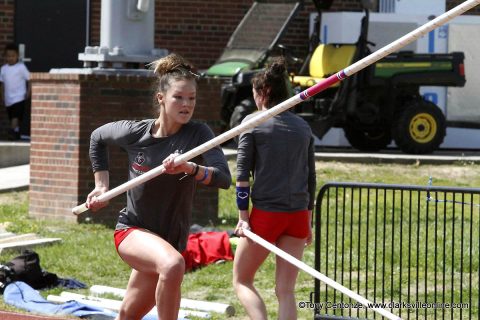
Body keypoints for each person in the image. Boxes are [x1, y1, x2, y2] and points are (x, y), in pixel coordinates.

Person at [85, 53, 232, 320]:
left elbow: (223, 178)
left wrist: (190, 167)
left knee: (128, 316)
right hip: (132, 231)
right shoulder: (136, 132)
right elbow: (97, 137)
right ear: (161, 99)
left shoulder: (199, 134)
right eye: (179, 97)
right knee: (173, 265)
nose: (186, 104)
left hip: (170, 240)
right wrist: (101, 186)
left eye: (192, 98)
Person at [232, 57, 316, 320]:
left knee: (242, 280)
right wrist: (309, 221)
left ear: (263, 93)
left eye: (255, 94)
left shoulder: (253, 122)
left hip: (267, 215)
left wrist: (243, 217)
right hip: (298, 216)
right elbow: (311, 177)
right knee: (286, 290)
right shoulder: (303, 127)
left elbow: (242, 174)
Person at [0, 43, 31, 141]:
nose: (10, 58)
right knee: (13, 118)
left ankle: (12, 132)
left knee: (15, 117)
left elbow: (30, 79)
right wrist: (2, 96)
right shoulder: (3, 69)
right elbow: (2, 84)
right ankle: (16, 133)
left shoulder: (21, 67)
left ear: (17, 56)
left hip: (19, 97)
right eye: (8, 56)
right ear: (5, 57)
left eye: (13, 56)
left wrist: (28, 92)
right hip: (8, 98)